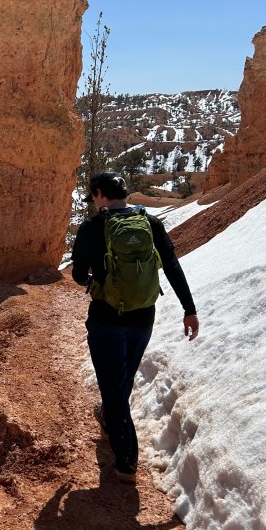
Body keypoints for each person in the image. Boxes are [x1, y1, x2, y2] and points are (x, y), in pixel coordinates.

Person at [71, 172, 199, 482]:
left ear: (99, 194)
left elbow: (77, 274)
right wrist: (189, 309)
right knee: (123, 377)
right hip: (143, 317)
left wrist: (93, 280)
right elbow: (172, 265)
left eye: (93, 196)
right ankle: (110, 415)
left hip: (106, 318)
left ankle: (126, 460)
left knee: (112, 385)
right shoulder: (150, 223)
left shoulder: (92, 227)